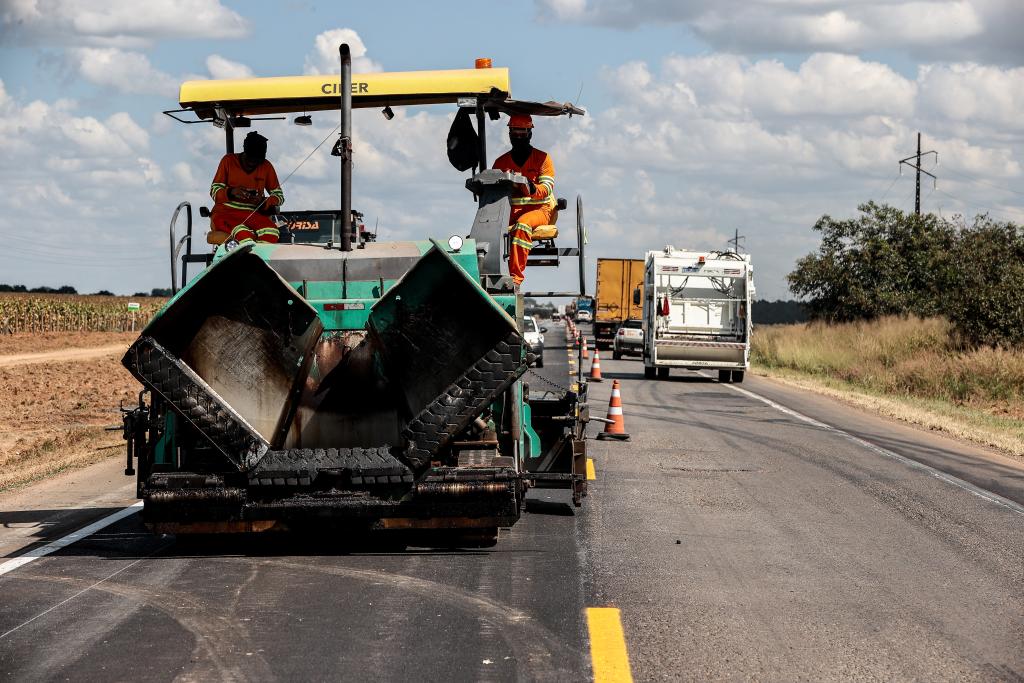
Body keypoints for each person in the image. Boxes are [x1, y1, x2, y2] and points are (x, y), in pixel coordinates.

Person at [491, 114, 555, 286]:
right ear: (510, 134)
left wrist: (531, 187)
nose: (518, 137)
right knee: (487, 228)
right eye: (515, 133)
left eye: (522, 133)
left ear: (530, 134)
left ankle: (515, 280)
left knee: (523, 225)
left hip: (539, 211)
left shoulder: (543, 159)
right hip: (510, 212)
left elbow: (547, 188)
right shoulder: (501, 162)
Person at [209, 131, 285, 245]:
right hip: (225, 213)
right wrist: (232, 192)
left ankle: (260, 260)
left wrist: (265, 202)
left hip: (252, 214)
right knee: (243, 235)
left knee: (271, 232)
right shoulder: (228, 161)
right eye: (250, 159)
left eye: (257, 161)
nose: (253, 163)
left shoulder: (266, 166)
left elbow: (279, 196)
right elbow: (214, 191)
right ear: (244, 151)